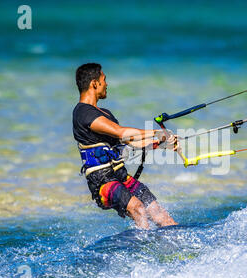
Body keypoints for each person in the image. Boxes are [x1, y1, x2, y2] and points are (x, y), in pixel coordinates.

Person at [72, 63, 178, 229]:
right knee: (139, 209)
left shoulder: (105, 114)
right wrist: (156, 132)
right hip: (103, 183)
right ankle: (143, 250)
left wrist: (162, 143)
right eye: (104, 80)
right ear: (94, 83)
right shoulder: (82, 113)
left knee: (160, 214)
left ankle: (181, 245)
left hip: (122, 177)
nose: (107, 84)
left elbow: (129, 141)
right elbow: (121, 132)